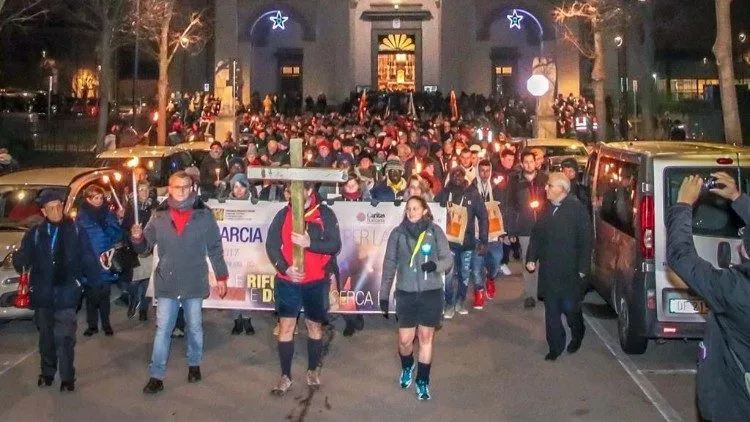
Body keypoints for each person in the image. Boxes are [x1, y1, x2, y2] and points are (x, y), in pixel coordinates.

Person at [130, 171, 229, 394]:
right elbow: (144, 248)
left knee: (194, 327)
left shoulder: (204, 214)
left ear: (192, 188)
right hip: (168, 281)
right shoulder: (159, 215)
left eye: (186, 187)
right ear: (169, 188)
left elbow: (215, 247)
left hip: (194, 279)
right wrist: (137, 238)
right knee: (163, 329)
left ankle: (194, 364)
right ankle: (156, 375)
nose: (182, 191)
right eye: (177, 187)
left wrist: (221, 276)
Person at [665, 172, 750, 420]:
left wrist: (683, 206)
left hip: (731, 406)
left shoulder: (736, 290)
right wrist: (738, 198)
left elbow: (681, 256)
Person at [13, 191, 96, 392]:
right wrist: (19, 259)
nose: (56, 211)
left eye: (59, 206)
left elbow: (88, 257)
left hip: (67, 291)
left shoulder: (76, 230)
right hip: (43, 293)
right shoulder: (35, 234)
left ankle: (67, 377)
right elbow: (24, 258)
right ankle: (47, 372)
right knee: (46, 337)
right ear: (43, 211)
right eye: (51, 208)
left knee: (65, 336)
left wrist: (91, 281)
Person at [265, 181, 342, 395]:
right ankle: (285, 376)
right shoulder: (283, 214)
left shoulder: (324, 214)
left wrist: (310, 244)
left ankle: (312, 371)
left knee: (314, 326)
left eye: (298, 190)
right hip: (288, 281)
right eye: (290, 191)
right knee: (286, 327)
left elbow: (335, 245)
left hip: (315, 281)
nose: (293, 195)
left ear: (309, 191)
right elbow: (271, 245)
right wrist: (285, 268)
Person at [380, 196, 453, 401]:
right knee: (405, 341)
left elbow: (447, 260)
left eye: (415, 208)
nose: (411, 212)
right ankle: (407, 365)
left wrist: (435, 266)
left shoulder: (435, 232)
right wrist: (384, 294)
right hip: (406, 293)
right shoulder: (397, 234)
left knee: (425, 338)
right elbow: (389, 264)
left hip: (431, 293)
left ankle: (422, 380)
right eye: (409, 209)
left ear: (424, 210)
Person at [525, 173, 592, 361]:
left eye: (550, 185)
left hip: (570, 272)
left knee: (571, 309)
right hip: (549, 271)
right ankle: (555, 345)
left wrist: (582, 269)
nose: (545, 188)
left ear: (562, 189)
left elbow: (586, 241)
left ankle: (578, 333)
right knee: (552, 312)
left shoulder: (577, 210)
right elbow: (537, 235)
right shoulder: (547, 209)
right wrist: (532, 257)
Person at [435, 166, 489, 318]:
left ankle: (460, 301)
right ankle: (449, 303)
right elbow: (433, 211)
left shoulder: (473, 193)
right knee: (449, 274)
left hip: (467, 242)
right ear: (450, 177)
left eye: (460, 175)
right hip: (448, 243)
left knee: (464, 274)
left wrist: (483, 240)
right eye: (454, 175)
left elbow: (483, 217)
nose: (457, 177)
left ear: (465, 176)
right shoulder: (444, 193)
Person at [76, 185, 123, 337]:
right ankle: (92, 325)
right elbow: (78, 239)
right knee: (91, 295)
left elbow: (117, 234)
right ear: (88, 199)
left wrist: (109, 227)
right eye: (95, 198)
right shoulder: (82, 217)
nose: (99, 201)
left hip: (106, 259)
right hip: (89, 260)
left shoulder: (108, 214)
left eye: (101, 197)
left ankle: (106, 324)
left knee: (104, 295)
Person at [509, 150, 548, 309]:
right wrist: (512, 230)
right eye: (525, 162)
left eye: (531, 161)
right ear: (521, 163)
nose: (529, 165)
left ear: (536, 162)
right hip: (525, 227)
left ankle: (542, 291)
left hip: (543, 226)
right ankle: (530, 294)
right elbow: (511, 206)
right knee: (528, 260)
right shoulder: (516, 181)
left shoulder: (544, 179)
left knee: (543, 261)